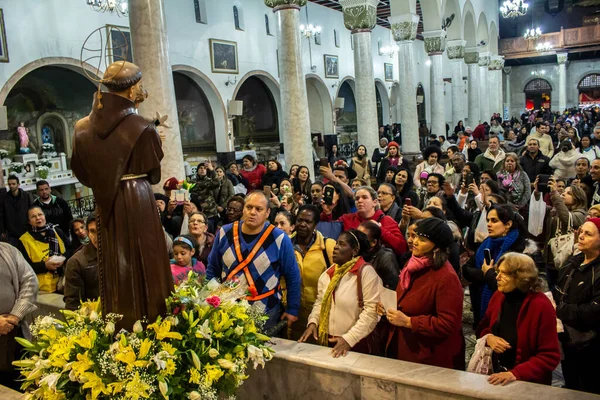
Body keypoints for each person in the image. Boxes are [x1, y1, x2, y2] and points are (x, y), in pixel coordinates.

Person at [71, 60, 173, 330]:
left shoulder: (80, 127)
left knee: (114, 260)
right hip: (137, 198)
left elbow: (81, 171)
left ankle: (118, 324)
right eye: (139, 85)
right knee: (145, 259)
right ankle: (152, 324)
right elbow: (153, 173)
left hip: (106, 202)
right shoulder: (143, 127)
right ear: (131, 91)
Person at [207, 191, 301, 330]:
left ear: (268, 212)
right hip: (227, 308)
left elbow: (292, 276)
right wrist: (210, 300)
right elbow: (212, 269)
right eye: (249, 207)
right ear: (243, 209)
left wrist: (292, 309)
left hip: (266, 311)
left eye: (259, 209)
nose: (252, 212)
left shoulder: (280, 239)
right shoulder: (224, 233)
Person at [380, 218, 464, 369]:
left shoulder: (446, 277)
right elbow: (405, 298)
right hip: (404, 346)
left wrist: (408, 321)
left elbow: (447, 324)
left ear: (437, 247)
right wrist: (388, 308)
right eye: (415, 236)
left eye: (423, 239)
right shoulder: (412, 264)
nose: (415, 242)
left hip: (427, 357)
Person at [477, 253, 560, 386]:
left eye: (504, 273)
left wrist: (515, 373)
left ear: (521, 277)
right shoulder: (498, 296)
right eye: (498, 272)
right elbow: (482, 327)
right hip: (497, 375)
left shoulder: (541, 305)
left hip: (528, 384)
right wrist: (489, 337)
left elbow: (550, 356)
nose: (497, 277)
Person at [299, 230, 381, 357]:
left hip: (356, 343)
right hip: (328, 341)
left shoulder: (365, 273)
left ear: (354, 251)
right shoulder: (328, 274)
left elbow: (372, 312)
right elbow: (320, 302)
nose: (335, 247)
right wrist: (313, 321)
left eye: (342, 244)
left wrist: (349, 339)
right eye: (336, 243)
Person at [462, 204, 529, 328]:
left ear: (508, 224)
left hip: (504, 307)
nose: (489, 224)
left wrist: (487, 273)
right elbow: (466, 268)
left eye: (494, 221)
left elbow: (505, 285)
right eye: (488, 220)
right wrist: (486, 274)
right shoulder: (488, 242)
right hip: (479, 297)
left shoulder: (516, 248)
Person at [553, 218, 600, 394]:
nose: (581, 236)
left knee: (588, 387)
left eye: (588, 234)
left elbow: (595, 311)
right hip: (567, 337)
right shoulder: (574, 261)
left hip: (590, 343)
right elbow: (558, 288)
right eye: (581, 232)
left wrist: (561, 310)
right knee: (570, 382)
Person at [289, 205, 336, 340]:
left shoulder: (328, 246)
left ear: (315, 224)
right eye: (299, 220)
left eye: (308, 222)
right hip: (292, 312)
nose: (302, 224)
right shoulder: (285, 244)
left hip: (320, 312)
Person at [321, 187, 407, 256]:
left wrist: (381, 230)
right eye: (357, 198)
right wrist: (327, 213)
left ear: (375, 202)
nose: (360, 201)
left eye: (365, 197)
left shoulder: (386, 221)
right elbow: (329, 234)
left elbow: (402, 248)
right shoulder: (346, 218)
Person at [0, 242, 38, 391]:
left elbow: (30, 281)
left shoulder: (8, 250)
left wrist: (16, 315)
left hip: (14, 331)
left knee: (21, 384)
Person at [19, 206, 69, 293]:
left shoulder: (57, 231)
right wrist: (45, 265)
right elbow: (24, 268)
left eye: (40, 214)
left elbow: (71, 250)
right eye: (33, 216)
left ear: (44, 216)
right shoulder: (24, 240)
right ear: (29, 221)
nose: (38, 218)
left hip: (64, 284)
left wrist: (63, 258)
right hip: (42, 290)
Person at [64, 213, 99, 310]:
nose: (97, 237)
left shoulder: (120, 254)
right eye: (93, 231)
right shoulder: (76, 262)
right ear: (88, 233)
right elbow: (73, 304)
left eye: (100, 231)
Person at [358, 221, 400, 289]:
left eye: (361, 238)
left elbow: (394, 286)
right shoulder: (356, 252)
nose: (357, 240)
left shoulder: (386, 257)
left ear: (373, 242)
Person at [0, 175, 34, 247]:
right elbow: (2, 215)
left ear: (18, 184)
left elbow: (32, 211)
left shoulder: (27, 196)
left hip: (26, 230)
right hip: (12, 232)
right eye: (9, 184)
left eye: (13, 184)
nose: (11, 186)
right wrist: (3, 230)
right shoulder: (5, 198)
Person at [190, 160, 221, 232]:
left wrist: (212, 169)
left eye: (204, 168)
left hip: (210, 212)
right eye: (200, 168)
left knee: (211, 233)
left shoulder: (209, 181)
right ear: (197, 170)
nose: (202, 169)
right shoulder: (192, 182)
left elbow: (217, 183)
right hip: (197, 212)